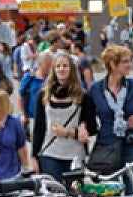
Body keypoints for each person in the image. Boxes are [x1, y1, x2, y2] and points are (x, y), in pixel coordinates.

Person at [88, 45, 133, 176]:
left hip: (131, 141)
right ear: (112, 64)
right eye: (125, 61)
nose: (129, 65)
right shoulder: (96, 89)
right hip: (106, 142)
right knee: (109, 189)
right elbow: (87, 115)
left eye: (129, 60)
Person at [31, 51, 96, 184]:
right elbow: (38, 128)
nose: (61, 69)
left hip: (74, 154)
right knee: (54, 194)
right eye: (58, 66)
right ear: (53, 70)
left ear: (71, 69)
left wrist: (70, 132)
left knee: (74, 195)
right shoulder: (43, 95)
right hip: (50, 152)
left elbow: (93, 127)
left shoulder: (83, 97)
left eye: (65, 66)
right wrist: (33, 156)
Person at [0, 89, 27, 180]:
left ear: (3, 105)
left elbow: (21, 147)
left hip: (11, 167)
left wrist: (25, 168)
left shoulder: (15, 123)